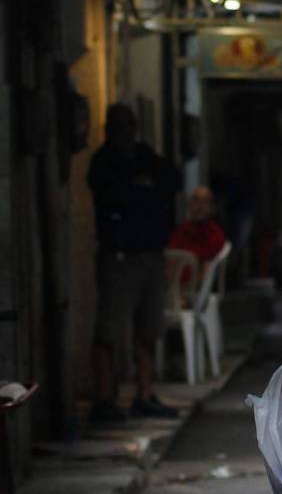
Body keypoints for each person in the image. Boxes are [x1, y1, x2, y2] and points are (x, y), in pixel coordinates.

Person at [88, 104, 181, 423]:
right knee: (110, 329)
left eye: (130, 125)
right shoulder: (104, 163)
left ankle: (144, 393)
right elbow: (117, 195)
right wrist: (140, 187)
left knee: (148, 328)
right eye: (120, 125)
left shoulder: (146, 157)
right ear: (109, 128)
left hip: (150, 253)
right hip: (119, 256)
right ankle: (104, 397)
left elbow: (170, 180)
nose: (126, 132)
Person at [167, 186, 227, 296]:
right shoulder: (180, 231)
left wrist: (185, 294)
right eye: (196, 200)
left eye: (205, 202)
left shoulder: (214, 234)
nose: (200, 206)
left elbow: (206, 275)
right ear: (189, 205)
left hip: (191, 294)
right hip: (170, 289)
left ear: (212, 207)